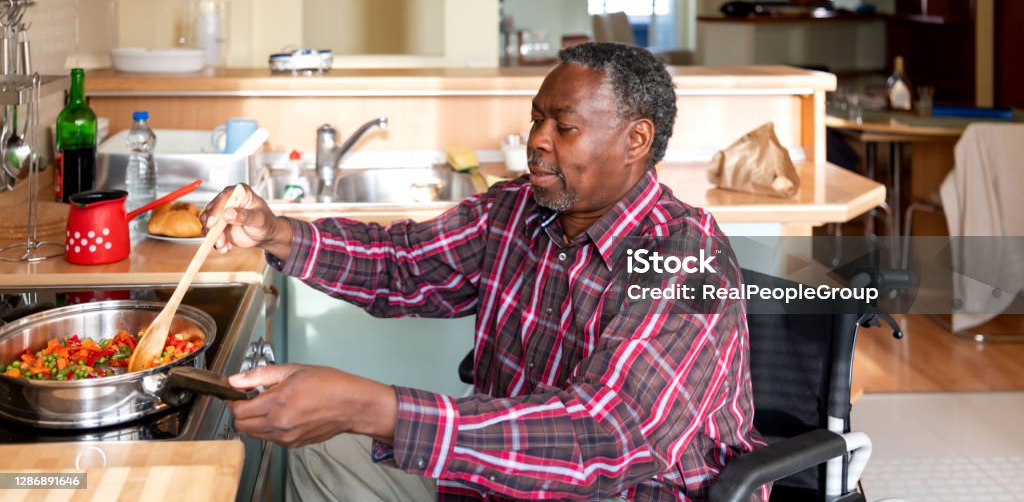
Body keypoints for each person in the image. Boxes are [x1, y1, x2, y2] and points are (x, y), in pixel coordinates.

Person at [202, 42, 767, 502]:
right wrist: (277, 231)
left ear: (635, 140)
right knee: (327, 449)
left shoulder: (686, 257)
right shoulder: (517, 207)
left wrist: (375, 407)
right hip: (505, 481)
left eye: (563, 127)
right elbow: (404, 262)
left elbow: (605, 438)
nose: (537, 141)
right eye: (537, 119)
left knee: (359, 425)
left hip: (628, 493)